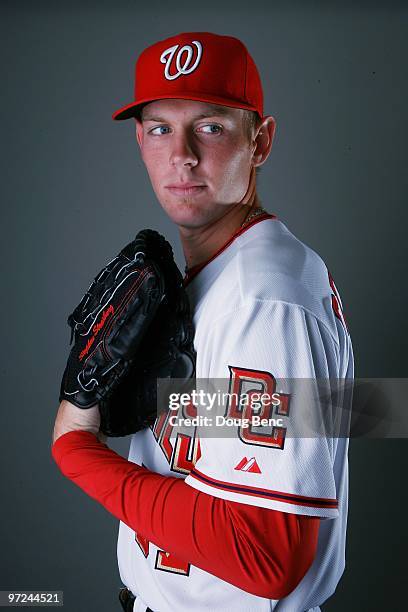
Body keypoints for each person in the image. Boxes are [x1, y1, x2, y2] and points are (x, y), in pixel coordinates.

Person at [52, 31, 354, 612]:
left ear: (260, 142)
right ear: (139, 140)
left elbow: (264, 554)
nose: (182, 154)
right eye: (161, 127)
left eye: (211, 126)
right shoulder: (218, 274)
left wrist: (75, 448)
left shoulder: (263, 298)